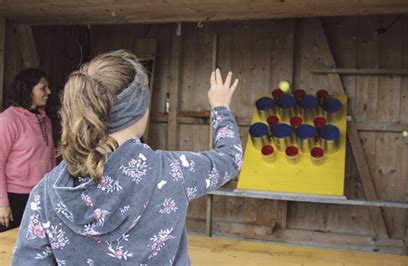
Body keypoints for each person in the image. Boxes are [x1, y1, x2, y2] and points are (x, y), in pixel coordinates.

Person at [12, 50, 242, 265]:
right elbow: (231, 157)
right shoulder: (174, 171)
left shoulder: (46, 191)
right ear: (139, 109)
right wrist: (220, 108)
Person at [0, 68, 56, 232]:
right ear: (27, 89)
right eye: (43, 88)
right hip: (14, 197)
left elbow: (51, 159)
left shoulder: (45, 120)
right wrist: (2, 203)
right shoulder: (8, 120)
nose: (49, 92)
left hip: (40, 195)